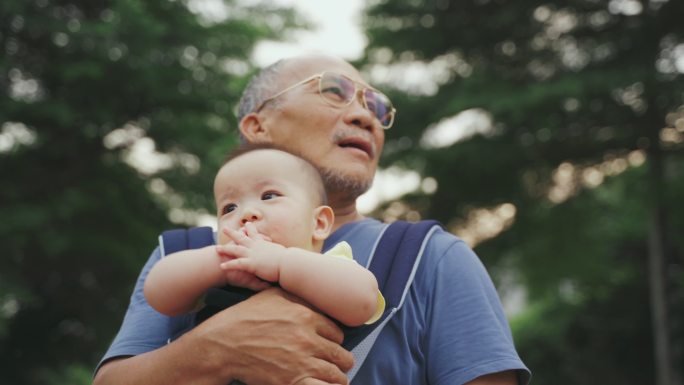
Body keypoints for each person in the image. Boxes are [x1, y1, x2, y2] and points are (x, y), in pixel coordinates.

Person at [93, 54, 530, 385]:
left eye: (376, 108)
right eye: (333, 91)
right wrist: (213, 349)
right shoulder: (182, 254)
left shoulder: (433, 257)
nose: (366, 117)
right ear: (257, 126)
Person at [143, 144, 384, 328]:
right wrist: (220, 262)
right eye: (229, 208)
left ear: (318, 223)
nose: (246, 213)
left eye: (269, 196)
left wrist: (281, 262)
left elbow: (364, 302)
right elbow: (158, 294)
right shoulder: (217, 277)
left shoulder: (331, 267)